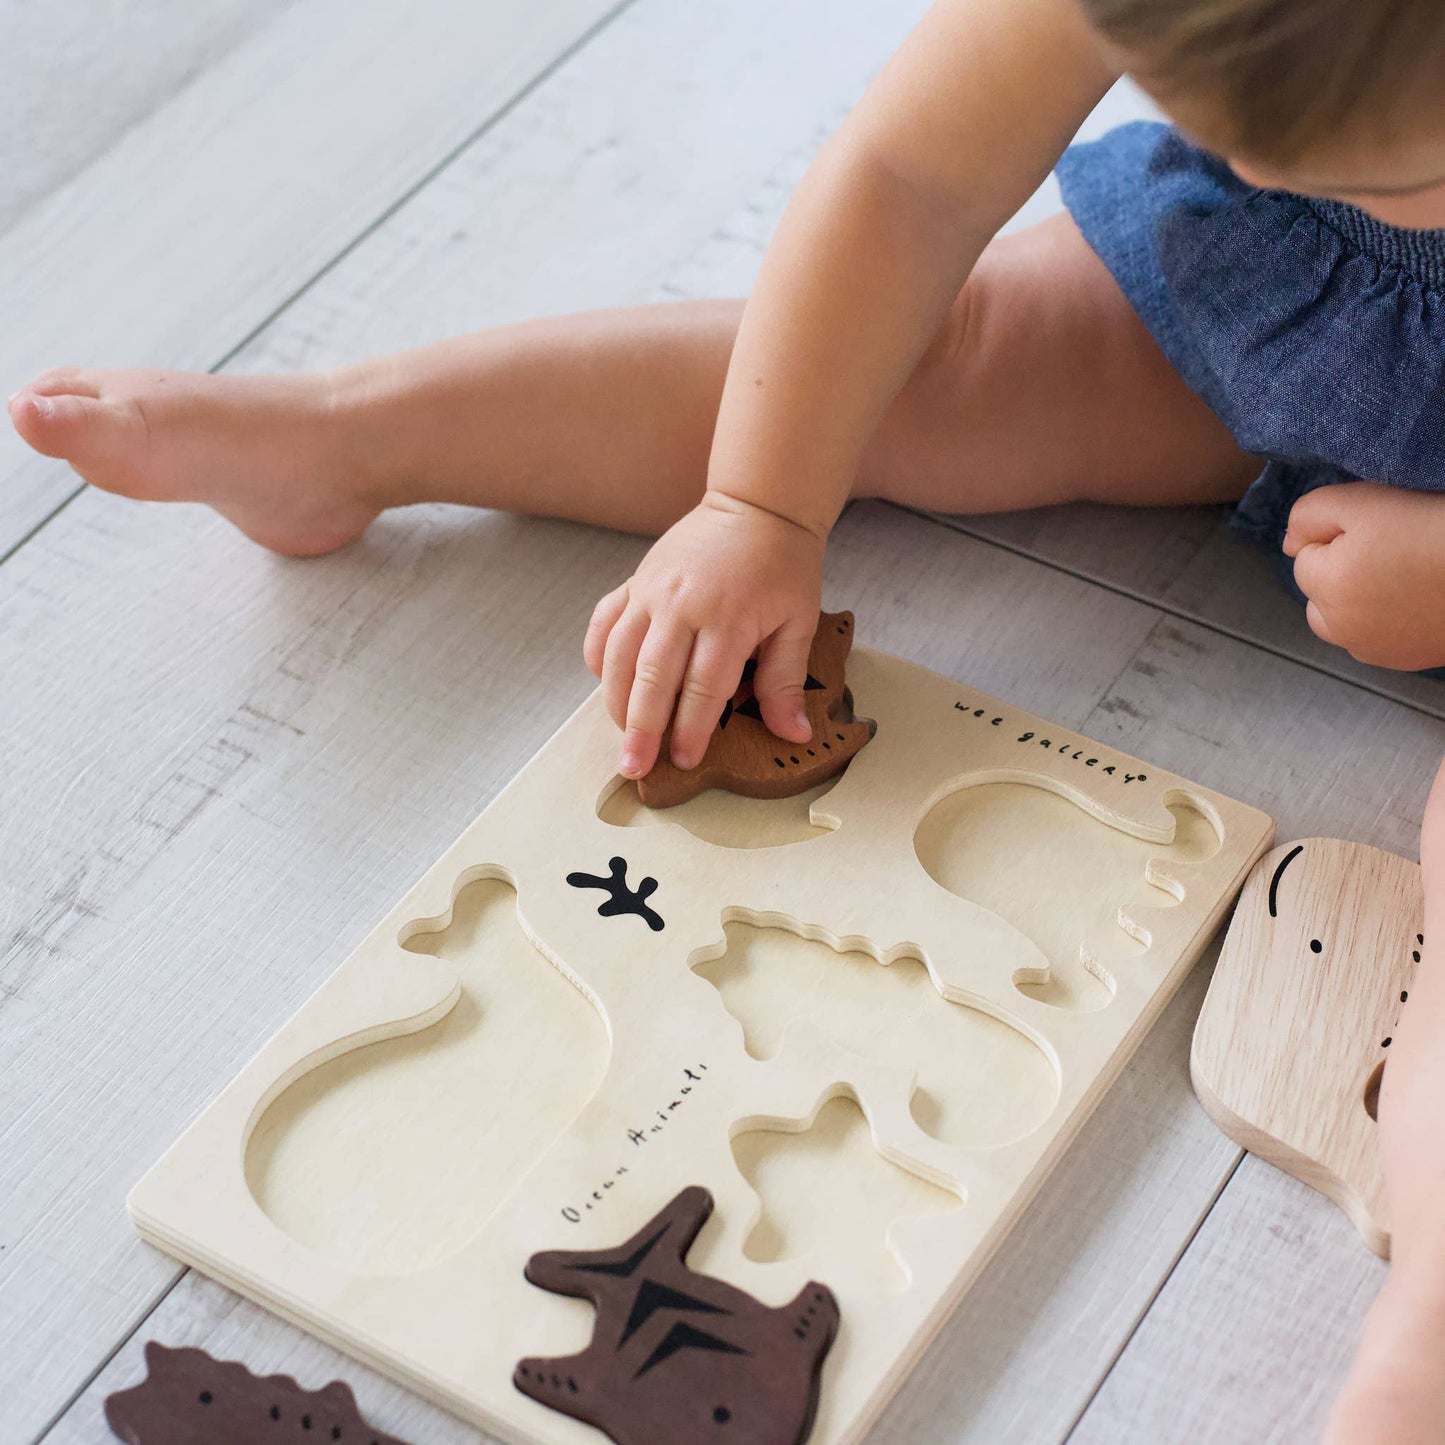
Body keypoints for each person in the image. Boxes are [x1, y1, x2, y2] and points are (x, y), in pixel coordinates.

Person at [10, 3, 1445, 1434]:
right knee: (929, 362)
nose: (1266, 170)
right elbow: (909, 179)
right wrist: (756, 505)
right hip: (1263, 307)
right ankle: (346, 431)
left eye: (1383, 170)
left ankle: (1424, 1332)